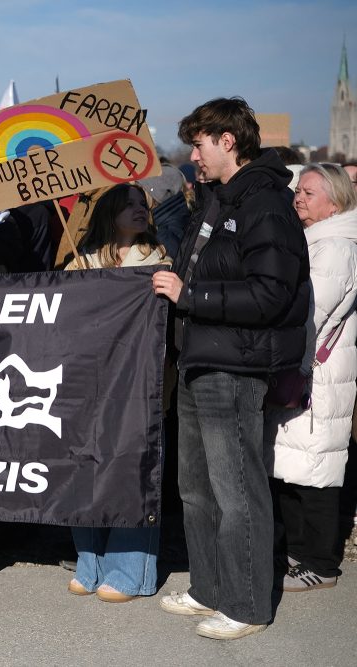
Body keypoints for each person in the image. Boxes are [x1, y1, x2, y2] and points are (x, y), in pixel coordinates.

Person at [152, 98, 310, 640]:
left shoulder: (266, 203)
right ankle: (208, 588)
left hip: (235, 365)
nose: (191, 155)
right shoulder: (217, 200)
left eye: (198, 144)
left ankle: (245, 605)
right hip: (201, 358)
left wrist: (190, 293)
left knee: (237, 488)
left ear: (228, 140)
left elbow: (272, 294)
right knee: (196, 487)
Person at [63, 183, 168, 602]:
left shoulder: (160, 261)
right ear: (109, 212)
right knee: (82, 471)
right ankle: (89, 562)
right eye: (129, 204)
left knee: (130, 471)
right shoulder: (80, 260)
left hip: (136, 388)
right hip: (87, 385)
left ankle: (130, 570)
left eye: (143, 204)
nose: (139, 210)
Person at [265, 163, 357, 591]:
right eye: (298, 190)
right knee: (294, 462)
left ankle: (321, 564)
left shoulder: (335, 246)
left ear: (335, 202)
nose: (298, 197)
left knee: (317, 466)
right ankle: (299, 553)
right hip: (306, 369)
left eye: (309, 192)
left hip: (318, 373)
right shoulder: (315, 240)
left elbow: (311, 311)